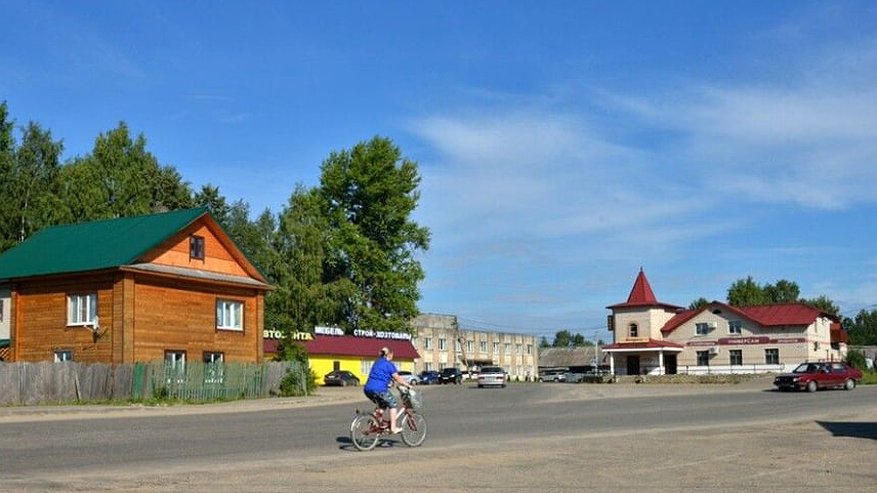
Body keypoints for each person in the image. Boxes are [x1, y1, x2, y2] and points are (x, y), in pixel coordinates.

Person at [363, 346, 414, 434]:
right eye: (392, 354)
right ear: (390, 354)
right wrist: (408, 385)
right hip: (379, 389)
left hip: (367, 389)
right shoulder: (389, 364)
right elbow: (397, 378)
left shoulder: (377, 362)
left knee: (383, 404)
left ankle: (376, 421)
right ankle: (393, 428)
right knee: (393, 404)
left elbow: (382, 376)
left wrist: (391, 383)